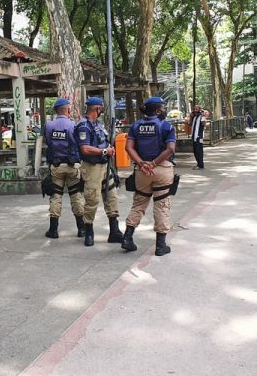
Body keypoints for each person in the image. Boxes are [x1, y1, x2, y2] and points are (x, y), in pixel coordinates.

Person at [121, 97, 177, 256]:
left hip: (142, 171)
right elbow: (170, 149)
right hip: (161, 169)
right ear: (158, 110)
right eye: (163, 107)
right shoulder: (166, 126)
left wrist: (141, 163)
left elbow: (128, 147)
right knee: (162, 205)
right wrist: (153, 163)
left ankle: (127, 238)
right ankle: (160, 246)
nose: (165, 110)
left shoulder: (136, 125)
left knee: (139, 203)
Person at [76, 97, 123, 247]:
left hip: (105, 166)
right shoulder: (84, 126)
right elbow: (85, 148)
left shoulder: (98, 124)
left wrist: (109, 149)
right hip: (92, 168)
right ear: (97, 109)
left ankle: (114, 231)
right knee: (92, 199)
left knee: (111, 196)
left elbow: (103, 141)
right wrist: (104, 151)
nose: (101, 111)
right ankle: (89, 232)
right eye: (101, 108)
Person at [44, 98, 86, 239]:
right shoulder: (73, 125)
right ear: (68, 110)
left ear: (56, 111)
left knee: (55, 196)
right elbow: (78, 143)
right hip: (72, 166)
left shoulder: (49, 125)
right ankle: (81, 229)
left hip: (56, 166)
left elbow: (48, 142)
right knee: (76, 196)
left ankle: (53, 230)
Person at [189, 105, 205, 170]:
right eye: (194, 109)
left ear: (199, 109)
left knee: (199, 151)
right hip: (194, 136)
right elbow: (190, 124)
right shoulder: (194, 117)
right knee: (195, 151)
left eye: (196, 109)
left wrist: (203, 115)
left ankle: (200, 165)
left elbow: (204, 124)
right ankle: (198, 163)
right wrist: (190, 116)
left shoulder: (201, 117)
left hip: (199, 136)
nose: (195, 110)